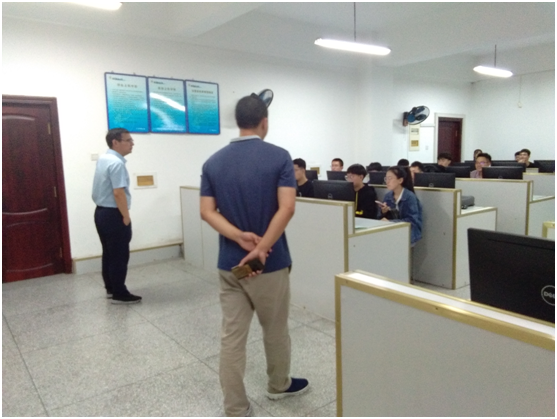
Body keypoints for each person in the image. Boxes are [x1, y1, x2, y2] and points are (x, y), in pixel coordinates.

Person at [200, 95, 309, 417]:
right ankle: (278, 385)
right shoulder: (279, 157)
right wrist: (261, 249)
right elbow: (287, 208)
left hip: (230, 265)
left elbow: (207, 212)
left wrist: (238, 237)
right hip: (269, 266)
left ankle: (235, 406)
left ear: (238, 122)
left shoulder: (213, 162)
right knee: (275, 329)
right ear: (264, 121)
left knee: (231, 337)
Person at [92, 128, 141, 304]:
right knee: (119, 255)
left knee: (109, 253)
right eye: (128, 140)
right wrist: (126, 217)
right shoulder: (117, 163)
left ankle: (111, 288)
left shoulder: (104, 159)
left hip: (101, 212)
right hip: (114, 214)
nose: (132, 143)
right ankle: (120, 293)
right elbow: (118, 193)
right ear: (115, 142)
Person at [378, 166, 423, 246]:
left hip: (408, 234)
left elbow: (412, 221)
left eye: (390, 178)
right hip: (392, 233)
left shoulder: (409, 197)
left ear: (400, 180)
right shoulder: (388, 196)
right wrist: (383, 212)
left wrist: (390, 222)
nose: (387, 181)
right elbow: (383, 218)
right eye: (386, 178)